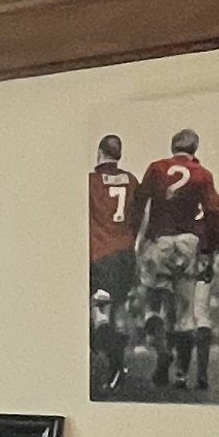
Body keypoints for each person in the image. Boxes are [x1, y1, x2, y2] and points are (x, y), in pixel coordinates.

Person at [136, 127, 219, 392]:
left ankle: (162, 349)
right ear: (194, 150)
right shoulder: (202, 174)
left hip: (160, 240)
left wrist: (136, 237)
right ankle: (182, 375)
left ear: (172, 146)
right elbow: (215, 213)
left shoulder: (156, 168)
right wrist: (211, 248)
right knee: (186, 315)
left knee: (153, 306)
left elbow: (139, 202)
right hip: (188, 243)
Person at [86, 133, 142, 395]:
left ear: (100, 152)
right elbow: (138, 216)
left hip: (101, 253)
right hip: (126, 253)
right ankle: (118, 370)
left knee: (98, 312)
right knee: (118, 309)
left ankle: (114, 363)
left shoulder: (90, 181)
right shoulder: (131, 180)